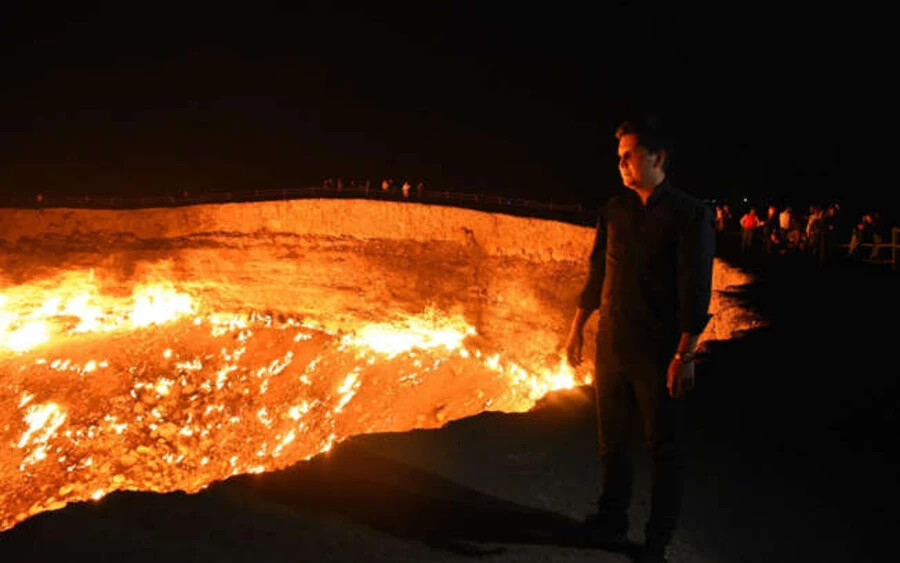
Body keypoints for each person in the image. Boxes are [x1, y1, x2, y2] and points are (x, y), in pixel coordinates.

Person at [565, 116, 714, 563]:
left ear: (658, 158)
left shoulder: (690, 215)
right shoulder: (614, 211)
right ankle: (611, 519)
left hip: (657, 350)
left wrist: (683, 353)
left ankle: (657, 538)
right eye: (618, 158)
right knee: (612, 440)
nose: (621, 165)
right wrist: (576, 328)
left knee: (662, 447)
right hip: (611, 346)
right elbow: (597, 274)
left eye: (629, 156)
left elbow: (695, 289)